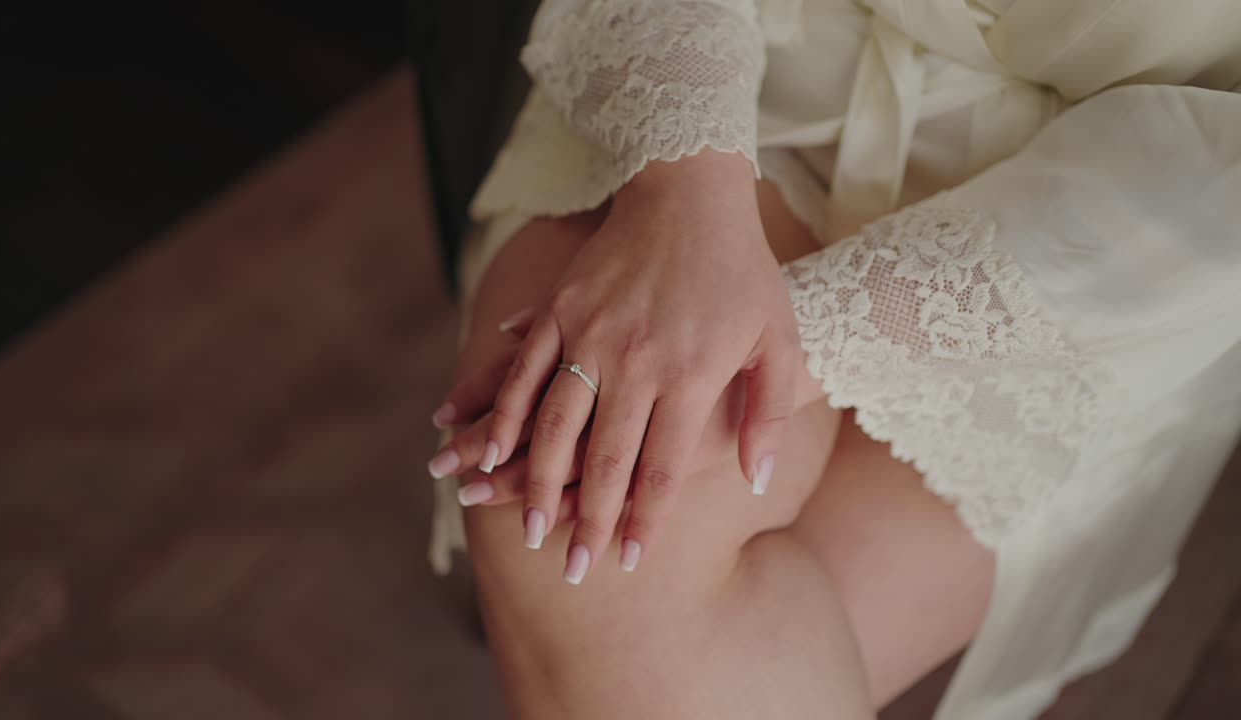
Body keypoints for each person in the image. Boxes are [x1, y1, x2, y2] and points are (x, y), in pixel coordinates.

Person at [426, 1, 1241, 717]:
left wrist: (781, 344)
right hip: (749, 91)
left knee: (614, 581)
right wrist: (685, 193)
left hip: (1098, 255)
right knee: (565, 535)